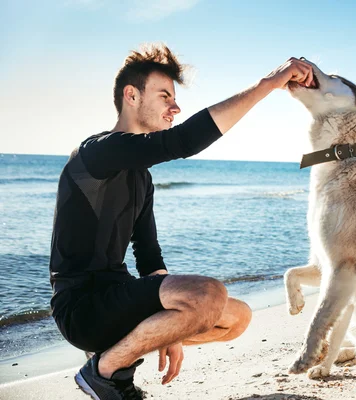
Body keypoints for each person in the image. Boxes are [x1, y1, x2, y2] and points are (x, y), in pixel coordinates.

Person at [49, 43, 315, 400]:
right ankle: (105, 373)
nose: (175, 107)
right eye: (164, 96)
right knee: (209, 293)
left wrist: (169, 328)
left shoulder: (141, 176)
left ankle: (113, 361)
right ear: (131, 95)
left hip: (116, 299)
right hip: (82, 309)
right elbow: (184, 141)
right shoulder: (97, 151)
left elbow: (149, 257)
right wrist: (268, 83)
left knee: (237, 316)